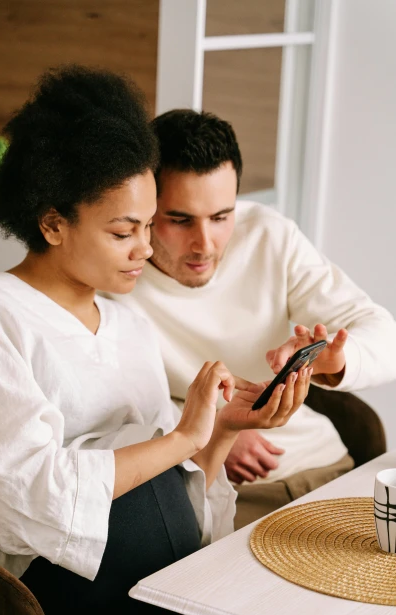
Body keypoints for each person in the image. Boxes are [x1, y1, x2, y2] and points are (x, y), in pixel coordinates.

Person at [0, 68, 396, 615]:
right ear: (52, 221)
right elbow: (37, 500)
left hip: (170, 589)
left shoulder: (127, 320)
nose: (148, 249)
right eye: (124, 230)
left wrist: (221, 431)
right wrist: (178, 438)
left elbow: (183, 496)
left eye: (147, 226)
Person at [117, 108, 396, 529]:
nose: (204, 244)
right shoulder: (114, 278)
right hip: (223, 495)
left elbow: (382, 333)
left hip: (328, 468)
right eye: (179, 220)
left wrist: (335, 361)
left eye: (221, 217)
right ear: (148, 206)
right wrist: (215, 431)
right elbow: (106, 416)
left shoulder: (268, 234)